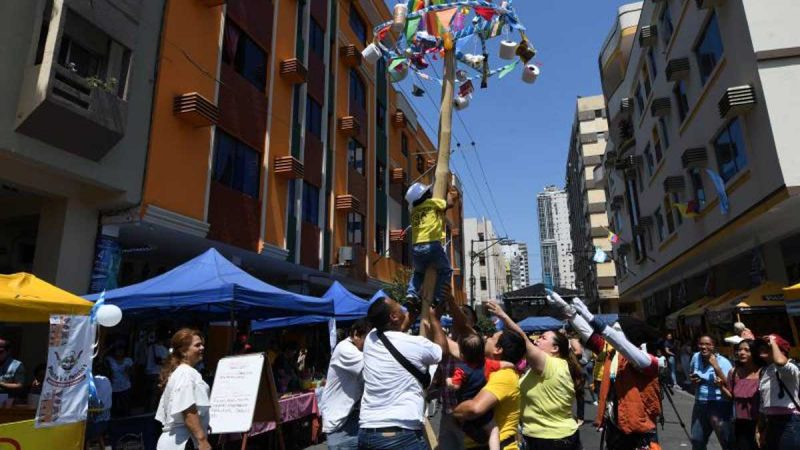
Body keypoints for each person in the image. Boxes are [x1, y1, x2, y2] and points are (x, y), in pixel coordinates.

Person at [547, 292, 663, 450]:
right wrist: (570, 312)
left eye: (617, 329)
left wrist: (591, 317)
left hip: (639, 431)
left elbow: (615, 338)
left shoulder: (648, 362)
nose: (611, 332)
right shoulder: (613, 353)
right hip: (615, 425)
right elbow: (588, 334)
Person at [483, 301, 581, 450]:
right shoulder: (537, 369)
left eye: (543, 338)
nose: (536, 340)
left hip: (554, 441)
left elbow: (522, 339)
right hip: (538, 438)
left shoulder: (554, 365)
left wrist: (503, 316)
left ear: (555, 349)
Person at [358, 296, 446, 449]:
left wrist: (411, 313)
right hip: (400, 435)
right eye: (398, 305)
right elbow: (442, 351)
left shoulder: (371, 338)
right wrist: (434, 319)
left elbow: (397, 330)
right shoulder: (415, 343)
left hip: (367, 432)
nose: (402, 306)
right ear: (393, 316)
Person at [452, 323, 526, 450]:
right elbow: (449, 345)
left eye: (492, 337)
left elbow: (474, 408)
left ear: (498, 349)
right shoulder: (483, 366)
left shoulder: (504, 375)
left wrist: (456, 412)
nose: (486, 338)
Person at [155, 329, 210, 450]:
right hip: (183, 442)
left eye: (202, 344)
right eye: (197, 345)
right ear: (183, 351)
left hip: (178, 441)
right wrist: (202, 441)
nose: (202, 348)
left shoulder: (181, 372)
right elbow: (188, 411)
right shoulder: (186, 373)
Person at [320, 319, 369, 450]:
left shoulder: (357, 350)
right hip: (341, 424)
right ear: (356, 334)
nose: (371, 344)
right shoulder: (345, 349)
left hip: (352, 418)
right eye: (368, 339)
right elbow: (372, 365)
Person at [405, 182, 455, 307]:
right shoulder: (432, 203)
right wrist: (449, 192)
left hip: (416, 247)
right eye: (428, 192)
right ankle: (438, 297)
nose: (431, 192)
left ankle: (411, 294)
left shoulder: (414, 211)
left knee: (418, 272)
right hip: (432, 244)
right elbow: (449, 204)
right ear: (426, 195)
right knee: (446, 270)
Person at [716, 339, 763, 450]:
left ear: (755, 352)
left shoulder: (763, 372)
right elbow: (730, 397)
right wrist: (721, 386)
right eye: (740, 349)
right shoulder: (734, 372)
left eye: (747, 350)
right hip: (740, 423)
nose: (741, 352)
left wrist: (760, 429)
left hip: (760, 423)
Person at [756, 334, 800, 449]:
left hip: (789, 422)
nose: (762, 348)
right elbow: (763, 402)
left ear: (780, 350)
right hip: (771, 422)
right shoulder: (764, 371)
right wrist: (760, 428)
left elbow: (780, 362)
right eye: (762, 346)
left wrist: (773, 341)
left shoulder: (791, 367)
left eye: (768, 346)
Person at [690, 335, 733, 450]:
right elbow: (692, 375)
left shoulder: (723, 362)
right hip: (700, 402)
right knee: (697, 440)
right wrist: (695, 380)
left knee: (725, 440)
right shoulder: (695, 357)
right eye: (701, 344)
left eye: (708, 344)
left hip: (719, 403)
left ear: (713, 346)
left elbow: (730, 385)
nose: (704, 347)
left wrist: (716, 367)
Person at [86, 362, 113, 449]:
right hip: (103, 423)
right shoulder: (105, 380)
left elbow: (97, 409)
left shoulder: (103, 381)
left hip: (95, 424)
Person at [106, 343, 133, 417]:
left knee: (125, 406)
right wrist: (110, 347)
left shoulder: (128, 360)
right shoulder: (109, 359)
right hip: (113, 387)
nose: (120, 352)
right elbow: (101, 356)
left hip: (126, 386)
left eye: (122, 350)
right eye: (118, 350)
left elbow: (132, 374)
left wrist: (128, 371)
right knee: (113, 406)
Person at [147, 333, 170, 411]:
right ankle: (154, 409)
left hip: (149, 372)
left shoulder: (150, 347)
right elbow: (163, 361)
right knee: (157, 392)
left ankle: (149, 408)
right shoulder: (163, 349)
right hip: (158, 372)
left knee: (150, 392)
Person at [0, 337, 25, 402]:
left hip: (7, 402)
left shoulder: (17, 365)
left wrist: (1, 384)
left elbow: (19, 385)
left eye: (0, 352)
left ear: (8, 351)